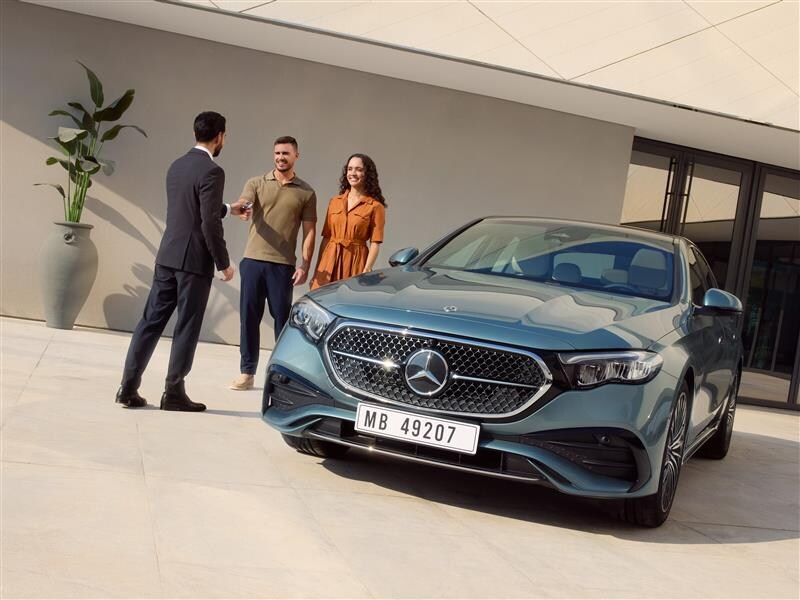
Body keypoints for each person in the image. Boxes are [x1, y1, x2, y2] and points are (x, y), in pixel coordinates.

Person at [116, 111, 251, 412]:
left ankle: (127, 388)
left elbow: (190, 208)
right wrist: (223, 263)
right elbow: (207, 222)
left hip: (167, 255)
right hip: (193, 262)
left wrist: (229, 208)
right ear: (220, 137)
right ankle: (174, 392)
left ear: (195, 133)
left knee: (150, 322)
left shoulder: (177, 165)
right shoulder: (213, 171)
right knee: (187, 326)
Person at [229, 136, 317, 391]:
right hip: (253, 262)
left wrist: (305, 265)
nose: (280, 157)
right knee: (249, 318)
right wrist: (240, 209)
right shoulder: (256, 183)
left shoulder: (306, 192)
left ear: (296, 156)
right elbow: (245, 201)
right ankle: (246, 373)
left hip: (283, 266)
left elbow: (310, 231)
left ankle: (281, 376)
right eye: (277, 153)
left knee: (282, 321)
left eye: (286, 153)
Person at [310, 153, 386, 290]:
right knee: (321, 297)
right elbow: (326, 238)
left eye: (359, 169)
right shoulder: (334, 202)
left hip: (355, 262)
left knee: (348, 297)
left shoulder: (375, 206)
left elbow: (375, 243)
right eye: (350, 169)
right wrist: (317, 270)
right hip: (329, 261)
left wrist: (366, 269)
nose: (353, 173)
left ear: (367, 174)